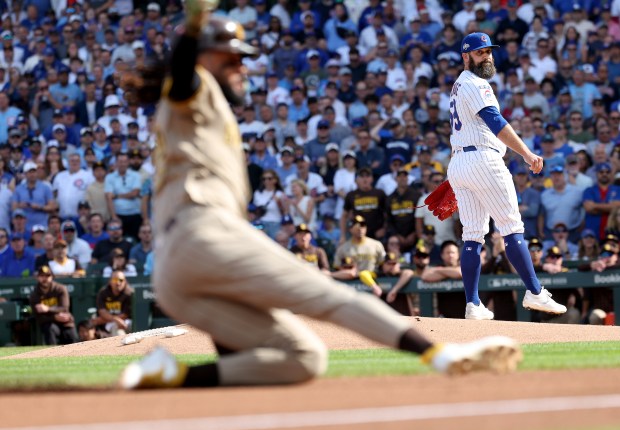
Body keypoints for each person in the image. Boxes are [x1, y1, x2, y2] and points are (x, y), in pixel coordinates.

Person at [118, 11, 521, 390]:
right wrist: (194, 24)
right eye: (231, 60)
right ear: (203, 58)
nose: (242, 68)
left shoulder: (204, 108)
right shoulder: (194, 90)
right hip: (200, 233)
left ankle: (172, 375)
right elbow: (187, 73)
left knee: (302, 357)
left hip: (178, 275)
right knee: (333, 297)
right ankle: (440, 356)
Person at [446, 32, 566, 320]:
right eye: (479, 52)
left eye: (488, 51)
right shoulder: (476, 83)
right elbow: (495, 121)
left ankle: (473, 303)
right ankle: (535, 292)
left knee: (473, 235)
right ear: (466, 56)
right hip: (482, 159)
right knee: (511, 226)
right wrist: (526, 153)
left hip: (460, 161)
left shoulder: (459, 85)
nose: (486, 56)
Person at [29, 265, 79, 346]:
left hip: (64, 321)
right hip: (48, 322)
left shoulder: (60, 288)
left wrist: (48, 309)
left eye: (47, 276)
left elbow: (64, 308)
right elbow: (37, 316)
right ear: (37, 277)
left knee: (72, 337)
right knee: (49, 329)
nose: (45, 279)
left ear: (52, 277)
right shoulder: (34, 294)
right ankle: (52, 355)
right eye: (42, 276)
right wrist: (53, 317)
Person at [93, 269, 134, 336]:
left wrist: (102, 320)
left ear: (125, 281)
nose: (118, 283)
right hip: (110, 323)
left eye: (121, 280)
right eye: (115, 280)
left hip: (126, 321)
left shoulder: (129, 293)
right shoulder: (103, 293)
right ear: (110, 281)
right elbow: (102, 312)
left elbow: (125, 315)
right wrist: (116, 319)